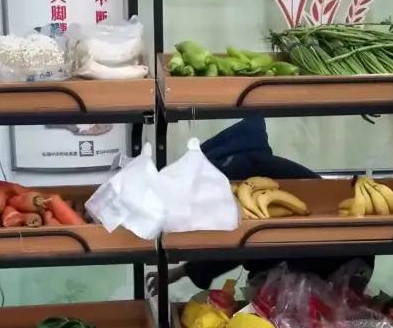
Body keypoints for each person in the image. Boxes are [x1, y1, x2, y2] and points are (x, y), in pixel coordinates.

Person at [151, 116, 374, 294]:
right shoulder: (248, 170)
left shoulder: (243, 176)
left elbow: (234, 244)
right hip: (333, 259)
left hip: (339, 264)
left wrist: (181, 271)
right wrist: (182, 271)